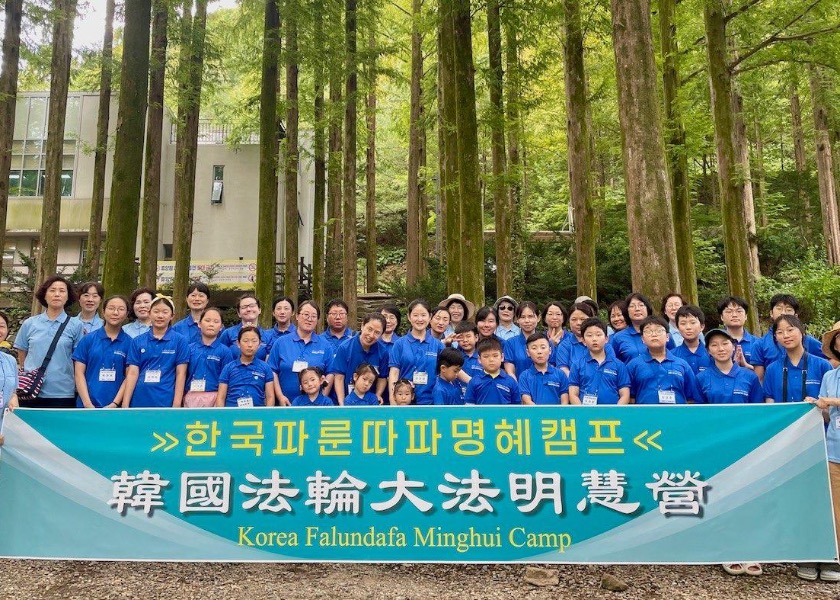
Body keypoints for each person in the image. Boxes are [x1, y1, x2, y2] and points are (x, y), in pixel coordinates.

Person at [13, 275, 83, 408]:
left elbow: (77, 360)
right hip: (31, 390)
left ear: (68, 296)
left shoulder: (76, 325)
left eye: (62, 291)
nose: (57, 294)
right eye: (52, 290)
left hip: (62, 392)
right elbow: (22, 352)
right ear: (44, 295)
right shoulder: (30, 323)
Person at [809, 321, 840, 582]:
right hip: (834, 449)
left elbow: (830, 402)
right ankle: (836, 556)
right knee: (836, 508)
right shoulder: (830, 376)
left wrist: (830, 401)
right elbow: (826, 413)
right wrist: (813, 407)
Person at [123, 296, 190, 408]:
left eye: (165, 312)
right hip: (139, 400)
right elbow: (132, 373)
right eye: (156, 311)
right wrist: (125, 403)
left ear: (172, 316)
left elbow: (181, 373)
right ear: (149, 314)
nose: (160, 316)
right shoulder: (138, 341)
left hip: (165, 401)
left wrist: (177, 404)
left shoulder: (180, 341)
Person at [72, 295, 131, 409]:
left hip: (115, 408)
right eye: (111, 308)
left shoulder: (130, 343)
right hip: (86, 407)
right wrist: (87, 404)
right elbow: (79, 373)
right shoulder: (88, 339)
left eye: (121, 309)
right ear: (103, 312)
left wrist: (115, 404)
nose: (115, 312)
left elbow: (129, 376)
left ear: (127, 314)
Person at [269, 300, 333, 405]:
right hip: (286, 405)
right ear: (297, 316)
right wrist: (280, 397)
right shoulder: (281, 343)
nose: (309, 319)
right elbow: (272, 371)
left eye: (313, 316)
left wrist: (321, 398)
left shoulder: (325, 345)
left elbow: (331, 373)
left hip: (316, 407)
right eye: (306, 315)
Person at [750, 294, 825, 381]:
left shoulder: (806, 340)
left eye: (788, 310)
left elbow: (831, 355)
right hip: (776, 391)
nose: (783, 313)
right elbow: (759, 379)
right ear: (771, 313)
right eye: (779, 308)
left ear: (796, 316)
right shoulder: (760, 344)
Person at [627, 316, 699, 405]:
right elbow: (630, 398)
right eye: (648, 331)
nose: (654, 334)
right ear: (642, 339)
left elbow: (691, 398)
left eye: (659, 331)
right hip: (645, 416)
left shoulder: (682, 365)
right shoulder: (633, 365)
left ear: (668, 337)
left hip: (677, 416)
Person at [762, 315, 832, 403]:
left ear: (802, 333)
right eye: (780, 332)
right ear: (775, 337)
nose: (786, 335)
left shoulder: (822, 365)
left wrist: (818, 404)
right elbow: (770, 404)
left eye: (790, 330)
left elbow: (833, 404)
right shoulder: (772, 369)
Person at [388, 299, 444, 406]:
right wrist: (392, 400)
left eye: (423, 315)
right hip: (404, 403)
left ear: (430, 317)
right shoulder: (399, 344)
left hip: (431, 402)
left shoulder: (438, 345)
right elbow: (394, 372)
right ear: (409, 317)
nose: (420, 319)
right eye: (415, 315)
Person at [329, 313, 389, 406]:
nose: (371, 335)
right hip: (347, 399)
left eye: (377, 333)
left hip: (369, 403)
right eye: (369, 329)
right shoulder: (345, 348)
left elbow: (382, 378)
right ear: (362, 326)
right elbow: (339, 378)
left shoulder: (383, 352)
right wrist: (342, 403)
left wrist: (378, 395)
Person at [569, 318, 630, 405]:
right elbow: (573, 394)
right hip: (586, 415)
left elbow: (625, 394)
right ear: (583, 340)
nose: (594, 339)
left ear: (606, 339)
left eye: (598, 335)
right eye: (589, 335)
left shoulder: (618, 365)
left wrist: (616, 413)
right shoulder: (577, 365)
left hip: (612, 416)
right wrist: (582, 413)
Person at [696, 329, 764, 405]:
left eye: (725, 343)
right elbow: (699, 412)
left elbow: (758, 410)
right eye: (714, 345)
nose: (721, 349)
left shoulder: (750, 376)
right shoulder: (701, 378)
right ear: (708, 350)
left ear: (733, 347)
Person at [184, 307, 234, 408]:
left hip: (216, 397)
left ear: (221, 327)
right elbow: (182, 374)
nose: (211, 324)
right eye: (207, 320)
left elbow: (228, 379)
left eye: (216, 322)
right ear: (199, 323)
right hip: (191, 396)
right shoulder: (189, 349)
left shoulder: (225, 351)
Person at [216, 326, 275, 407]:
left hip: (258, 415)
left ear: (259, 344)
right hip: (232, 415)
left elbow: (270, 397)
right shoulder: (228, 368)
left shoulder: (265, 367)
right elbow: (221, 397)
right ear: (238, 343)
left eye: (254, 341)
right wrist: (221, 416)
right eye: (245, 341)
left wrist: (267, 416)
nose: (250, 345)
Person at [464, 337, 520, 405]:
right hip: (481, 415)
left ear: (502, 357)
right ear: (479, 359)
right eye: (486, 356)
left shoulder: (510, 381)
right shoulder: (474, 381)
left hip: (504, 416)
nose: (491, 359)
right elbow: (469, 405)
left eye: (495, 356)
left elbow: (516, 407)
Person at [552, 302, 603, 375]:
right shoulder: (564, 345)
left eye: (582, 319)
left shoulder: (602, 341)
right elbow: (563, 369)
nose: (578, 323)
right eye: (574, 319)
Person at [519, 333, 569, 405]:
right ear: (528, 352)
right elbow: (527, 400)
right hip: (534, 415)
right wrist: (540, 414)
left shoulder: (560, 374)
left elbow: (564, 400)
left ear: (550, 350)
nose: (539, 352)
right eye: (534, 348)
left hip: (557, 415)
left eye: (543, 347)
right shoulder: (524, 376)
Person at [219, 293, 269, 359]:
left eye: (252, 306)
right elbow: (220, 357)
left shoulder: (268, 336)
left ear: (259, 310)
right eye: (244, 307)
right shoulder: (228, 333)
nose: (248, 309)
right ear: (239, 313)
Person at [611, 293, 656, 363]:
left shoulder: (660, 333)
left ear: (648, 309)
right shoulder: (618, 337)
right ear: (626, 311)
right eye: (632, 306)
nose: (637, 309)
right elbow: (613, 363)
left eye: (641, 305)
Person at [716, 296, 758, 368]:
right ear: (722, 317)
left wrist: (746, 366)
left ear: (746, 316)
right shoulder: (715, 344)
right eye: (729, 311)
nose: (734, 315)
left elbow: (762, 375)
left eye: (739, 311)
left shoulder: (757, 343)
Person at [503, 302, 542, 378]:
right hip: (518, 387)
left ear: (538, 318)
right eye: (522, 317)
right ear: (517, 319)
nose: (527, 321)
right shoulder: (510, 343)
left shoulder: (546, 342)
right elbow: (510, 372)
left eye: (530, 316)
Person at [670, 305, 711, 376]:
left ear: (702, 326)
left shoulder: (712, 354)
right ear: (677, 327)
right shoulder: (672, 355)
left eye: (693, 322)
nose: (688, 327)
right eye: (683, 323)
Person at [454, 321, 482, 395]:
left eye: (468, 336)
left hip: (478, 396)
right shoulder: (454, 357)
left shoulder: (483, 357)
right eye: (461, 337)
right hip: (458, 398)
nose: (465, 340)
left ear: (476, 337)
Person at [0, 311, 19, 415]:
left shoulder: (10, 360)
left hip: (4, 425)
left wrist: (13, 400)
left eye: (2, 326)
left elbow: (13, 393)